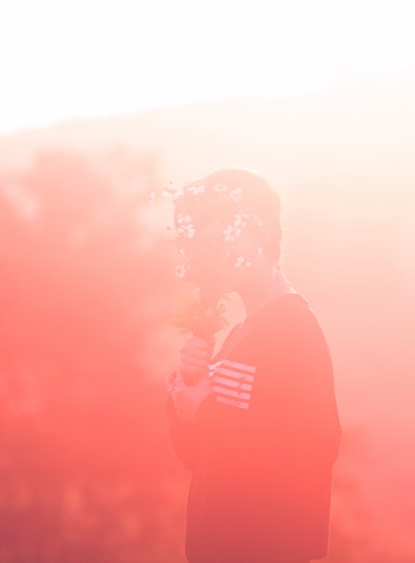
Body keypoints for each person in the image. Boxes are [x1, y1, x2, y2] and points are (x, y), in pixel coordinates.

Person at [166, 168, 342, 563]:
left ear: (259, 234)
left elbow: (312, 451)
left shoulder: (293, 331)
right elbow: (198, 456)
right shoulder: (241, 334)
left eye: (220, 240)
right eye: (199, 246)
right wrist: (186, 397)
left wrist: (205, 410)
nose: (207, 258)